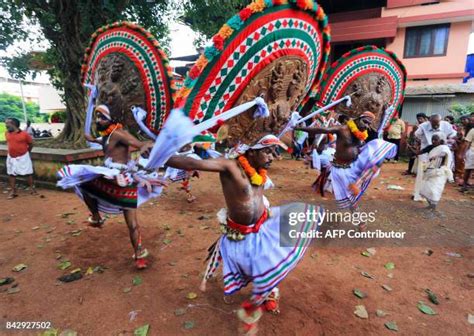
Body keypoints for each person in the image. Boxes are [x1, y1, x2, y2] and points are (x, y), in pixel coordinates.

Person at [166, 134, 323, 334]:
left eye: (274, 152)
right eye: (267, 151)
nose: (272, 156)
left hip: (263, 227)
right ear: (251, 151)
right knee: (253, 267)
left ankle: (268, 292)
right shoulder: (230, 167)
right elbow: (192, 162)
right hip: (238, 234)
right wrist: (162, 156)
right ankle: (261, 294)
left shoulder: (260, 171)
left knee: (274, 260)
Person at [57, 105, 165, 269]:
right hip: (110, 178)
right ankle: (96, 217)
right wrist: (92, 139)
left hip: (123, 180)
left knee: (132, 224)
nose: (98, 120)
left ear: (112, 119)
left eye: (102, 117)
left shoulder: (119, 134)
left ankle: (139, 254)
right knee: (84, 183)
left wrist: (144, 147)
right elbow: (101, 141)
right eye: (97, 117)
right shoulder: (107, 136)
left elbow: (137, 143)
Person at [295, 112, 397, 230]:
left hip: (354, 166)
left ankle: (356, 219)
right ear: (359, 118)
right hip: (341, 167)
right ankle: (358, 220)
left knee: (349, 195)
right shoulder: (342, 129)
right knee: (347, 196)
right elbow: (321, 129)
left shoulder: (361, 135)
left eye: (369, 124)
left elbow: (358, 148)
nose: (366, 126)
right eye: (365, 122)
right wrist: (299, 127)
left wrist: (371, 157)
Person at [413, 114, 456, 201]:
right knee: (422, 174)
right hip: (426, 153)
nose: (436, 126)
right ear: (429, 122)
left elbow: (454, 134)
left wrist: (447, 140)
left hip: (440, 152)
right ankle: (417, 194)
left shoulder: (446, 125)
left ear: (440, 121)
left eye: (437, 124)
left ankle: (431, 196)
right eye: (433, 124)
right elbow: (417, 135)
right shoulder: (423, 126)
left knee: (436, 176)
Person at [419, 133, 454, 216]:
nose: (433, 141)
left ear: (441, 140)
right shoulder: (434, 148)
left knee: (434, 190)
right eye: (432, 140)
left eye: (436, 140)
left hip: (439, 173)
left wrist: (437, 156)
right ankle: (430, 206)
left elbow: (443, 154)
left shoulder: (444, 148)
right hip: (431, 171)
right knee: (426, 188)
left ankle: (434, 208)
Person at [4, 117, 37, 199]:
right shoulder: (6, 133)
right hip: (11, 157)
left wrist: (27, 152)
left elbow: (31, 143)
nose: (6, 125)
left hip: (23, 156)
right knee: (11, 174)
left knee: (28, 173)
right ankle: (13, 191)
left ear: (13, 124)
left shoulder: (24, 134)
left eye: (8, 123)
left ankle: (32, 189)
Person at [461, 119, 474, 192]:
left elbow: (467, 143)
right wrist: (464, 153)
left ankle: (465, 185)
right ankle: (464, 185)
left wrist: (464, 154)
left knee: (468, 170)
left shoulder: (472, 130)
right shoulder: (472, 130)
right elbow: (467, 143)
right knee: (468, 169)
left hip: (472, 152)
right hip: (472, 152)